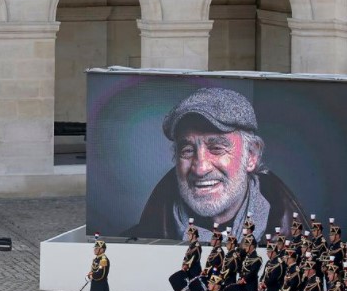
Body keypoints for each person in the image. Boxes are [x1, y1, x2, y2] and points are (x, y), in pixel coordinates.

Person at [125, 87, 309, 242]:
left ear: (251, 155)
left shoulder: (303, 248)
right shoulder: (130, 249)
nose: (200, 168)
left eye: (217, 148)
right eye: (187, 150)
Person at [181, 220, 202, 291]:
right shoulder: (191, 245)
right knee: (188, 290)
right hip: (189, 270)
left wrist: (186, 265)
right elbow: (187, 257)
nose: (188, 236)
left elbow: (194, 258)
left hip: (194, 271)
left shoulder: (196, 245)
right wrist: (183, 264)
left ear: (194, 235)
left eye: (190, 234)